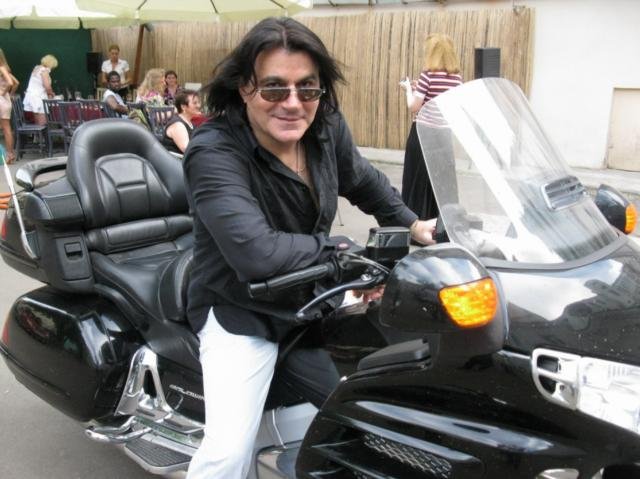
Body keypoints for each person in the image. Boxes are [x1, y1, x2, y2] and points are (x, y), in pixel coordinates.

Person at [183, 16, 435, 479]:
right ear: (245, 87)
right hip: (242, 312)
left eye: (307, 88)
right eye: (274, 88)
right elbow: (256, 253)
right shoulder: (214, 150)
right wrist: (340, 254)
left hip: (311, 306)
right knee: (227, 452)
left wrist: (417, 226)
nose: (293, 103)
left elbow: (363, 181)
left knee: (372, 409)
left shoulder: (324, 126)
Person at [399, 33, 462, 220]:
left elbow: (414, 107)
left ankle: (415, 221)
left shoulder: (428, 75)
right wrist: (421, 88)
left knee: (417, 180)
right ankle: (442, 222)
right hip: (443, 137)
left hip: (423, 134)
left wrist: (408, 90)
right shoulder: (456, 79)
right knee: (441, 182)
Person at [23, 54, 58, 126]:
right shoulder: (44, 71)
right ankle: (42, 133)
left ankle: (38, 133)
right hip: (38, 98)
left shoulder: (37, 68)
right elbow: (47, 86)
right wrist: (51, 93)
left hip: (32, 97)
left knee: (38, 123)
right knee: (42, 124)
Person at [162, 90, 200, 154]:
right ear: (183, 107)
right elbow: (187, 150)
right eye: (195, 103)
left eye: (198, 102)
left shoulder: (189, 123)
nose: (198, 105)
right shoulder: (178, 125)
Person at [0, 48, 19, 164]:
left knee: (6, 128)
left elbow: (11, 83)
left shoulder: (1, 68)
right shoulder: (5, 68)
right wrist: (9, 94)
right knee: (7, 128)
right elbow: (16, 83)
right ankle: (10, 154)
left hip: (1, 100)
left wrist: (2, 92)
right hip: (5, 101)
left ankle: (9, 154)